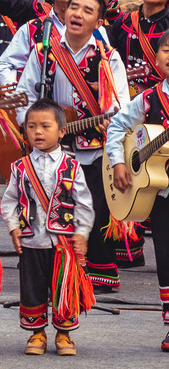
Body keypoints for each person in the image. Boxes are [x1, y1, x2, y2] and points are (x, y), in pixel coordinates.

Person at [16, 0, 130, 292]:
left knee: (92, 208)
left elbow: (120, 105)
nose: (77, 13)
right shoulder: (43, 53)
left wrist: (110, 120)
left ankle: (96, 274)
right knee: (48, 210)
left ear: (99, 21)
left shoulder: (108, 57)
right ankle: (51, 271)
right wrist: (29, 126)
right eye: (74, 7)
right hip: (52, 151)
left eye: (87, 10)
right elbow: (25, 93)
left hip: (93, 150)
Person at [2, 99, 94, 356]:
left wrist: (82, 233)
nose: (38, 132)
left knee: (64, 288)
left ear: (62, 131)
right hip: (32, 241)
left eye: (45, 126)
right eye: (31, 127)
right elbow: (9, 200)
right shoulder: (19, 167)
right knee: (32, 288)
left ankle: (64, 336)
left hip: (62, 244)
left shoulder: (72, 165)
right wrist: (13, 228)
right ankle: (37, 334)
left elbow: (84, 202)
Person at [105, 29, 169, 352]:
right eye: (167, 50)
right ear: (156, 58)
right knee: (166, 259)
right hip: (160, 193)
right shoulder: (149, 98)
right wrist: (119, 162)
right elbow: (117, 126)